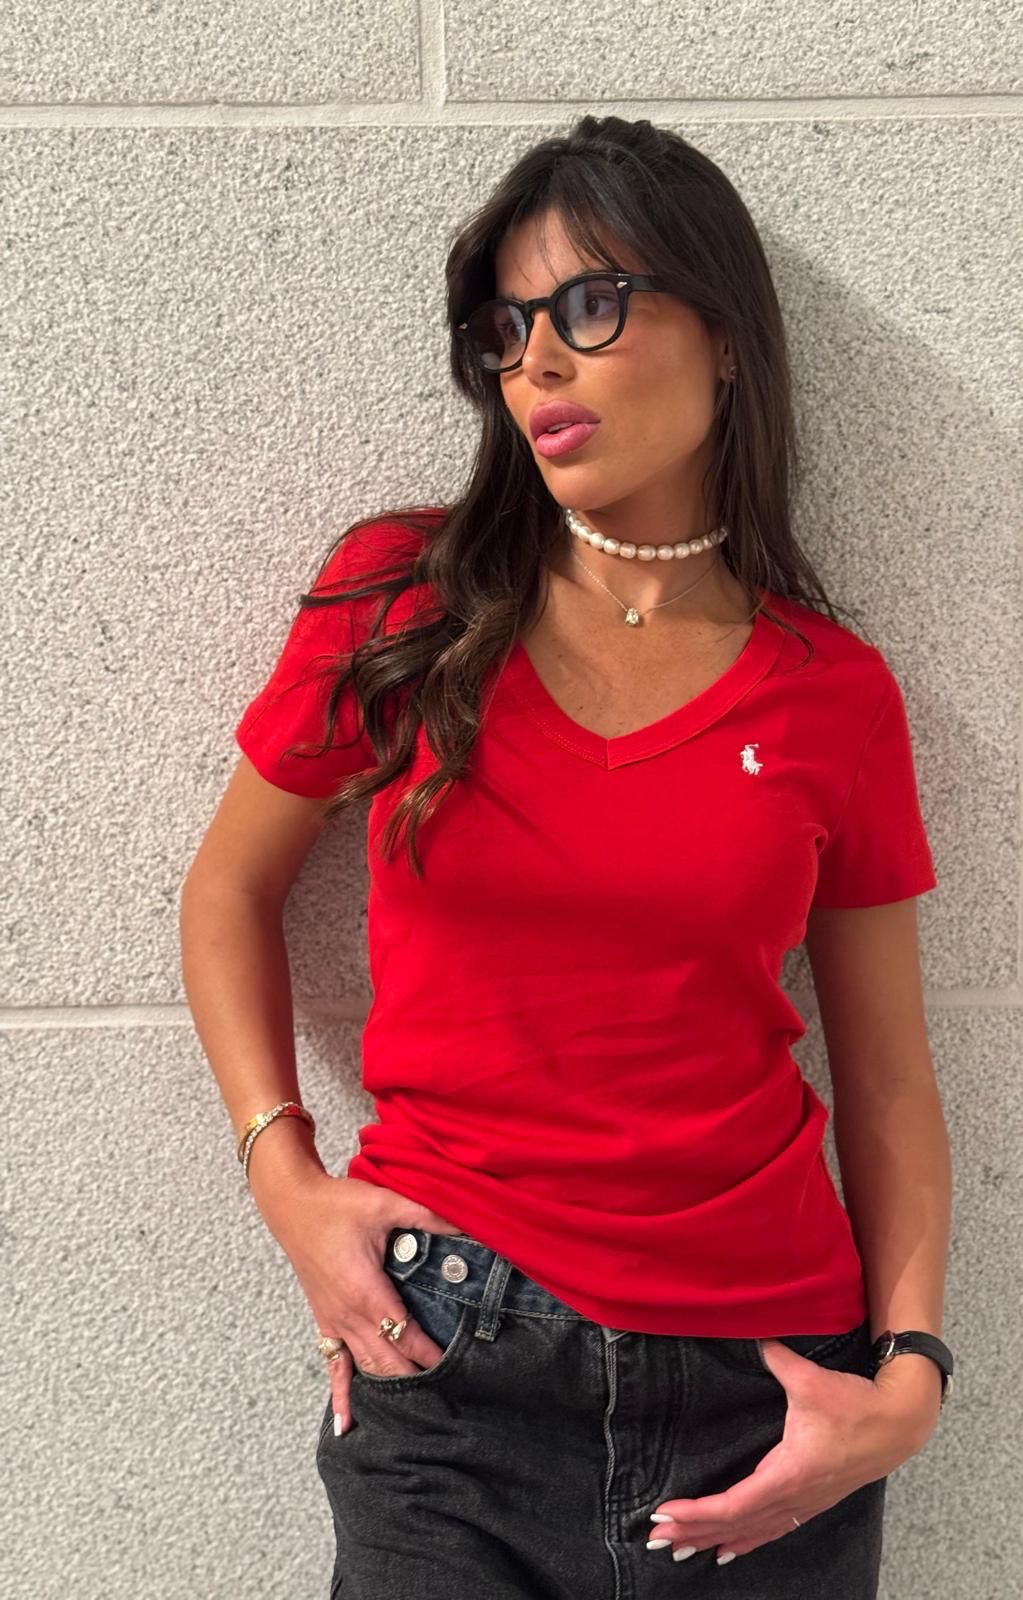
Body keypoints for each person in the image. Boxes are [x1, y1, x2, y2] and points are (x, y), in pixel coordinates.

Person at [180, 113, 953, 1599]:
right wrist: (285, 1177)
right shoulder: (403, 603)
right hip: (452, 1367)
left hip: (770, 1396)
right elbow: (228, 889)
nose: (536, 359)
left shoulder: (833, 696)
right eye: (508, 325)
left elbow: (891, 1079)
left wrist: (908, 1377)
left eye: (591, 305)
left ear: (724, 338)